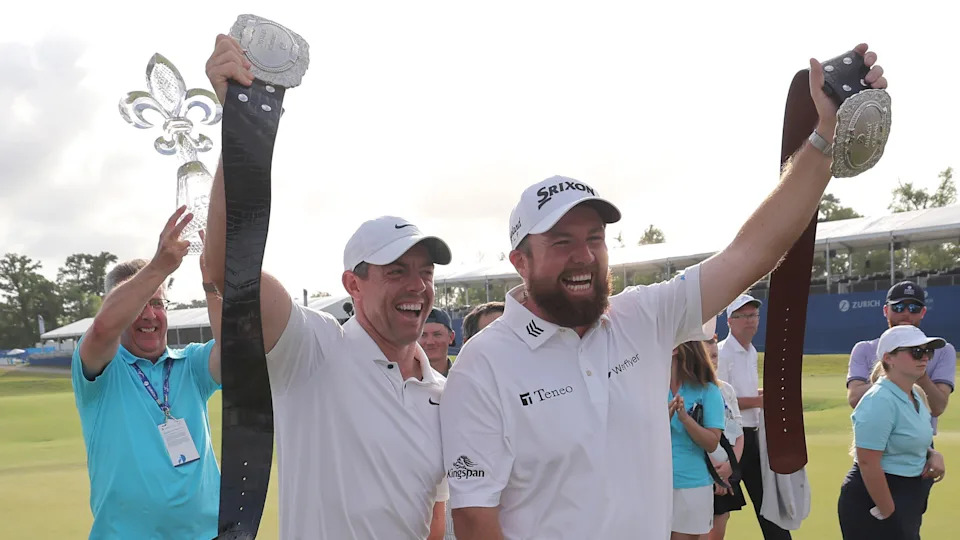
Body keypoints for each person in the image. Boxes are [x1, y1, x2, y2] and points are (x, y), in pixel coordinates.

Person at [439, 41, 887, 540]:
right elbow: (476, 522)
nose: (583, 255)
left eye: (594, 238)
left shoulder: (641, 317)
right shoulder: (482, 365)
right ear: (519, 262)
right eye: (561, 242)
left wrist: (824, 136)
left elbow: (750, 252)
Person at [205, 35, 451, 539]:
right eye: (396, 271)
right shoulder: (313, 348)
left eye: (425, 272)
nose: (417, 287)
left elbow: (436, 516)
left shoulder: (445, 393)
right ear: (352, 285)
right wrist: (241, 128)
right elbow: (230, 269)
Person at [71, 207, 223, 539]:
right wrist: (159, 266)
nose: (150, 314)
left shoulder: (191, 364)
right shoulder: (101, 369)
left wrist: (213, 284)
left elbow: (233, 350)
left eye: (158, 303)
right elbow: (102, 329)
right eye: (139, 302)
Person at [837, 325, 947, 540]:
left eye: (927, 352)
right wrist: (888, 511)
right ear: (889, 358)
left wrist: (933, 454)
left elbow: (909, 438)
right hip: (875, 499)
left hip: (907, 496)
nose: (924, 357)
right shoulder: (878, 400)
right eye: (916, 352)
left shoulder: (915, 395)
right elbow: (868, 462)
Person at [716, 294, 791, 539]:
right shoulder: (721, 353)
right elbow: (721, 400)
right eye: (744, 316)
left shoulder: (751, 352)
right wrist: (761, 401)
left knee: (768, 506)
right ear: (730, 320)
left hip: (755, 436)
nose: (750, 321)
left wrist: (761, 395)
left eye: (754, 315)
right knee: (719, 510)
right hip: (731, 440)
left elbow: (743, 393)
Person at [846, 281, 955, 427]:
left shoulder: (943, 350)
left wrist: (919, 374)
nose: (906, 314)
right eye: (898, 307)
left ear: (922, 312)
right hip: (875, 434)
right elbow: (855, 399)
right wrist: (897, 375)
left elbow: (937, 408)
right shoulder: (864, 349)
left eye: (913, 308)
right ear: (886, 310)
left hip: (920, 440)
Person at [668, 341, 725, 540]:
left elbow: (711, 442)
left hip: (691, 484)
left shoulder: (708, 390)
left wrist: (685, 419)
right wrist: (664, 417)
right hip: (653, 483)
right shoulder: (649, 387)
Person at [704, 334, 746, 540]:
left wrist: (731, 467)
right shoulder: (688, 391)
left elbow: (738, 433)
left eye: (714, 355)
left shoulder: (726, 390)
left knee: (719, 531)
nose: (712, 361)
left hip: (726, 471)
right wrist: (715, 474)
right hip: (701, 475)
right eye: (706, 356)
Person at [420, 308, 456, 376]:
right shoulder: (401, 380)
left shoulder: (464, 378)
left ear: (451, 337)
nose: (430, 342)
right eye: (423, 335)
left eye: (437, 335)